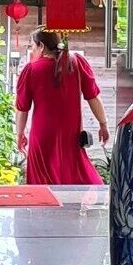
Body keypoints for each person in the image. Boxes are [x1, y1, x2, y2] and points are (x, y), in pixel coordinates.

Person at [15, 27, 109, 185]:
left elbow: (22, 108)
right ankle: (77, 208)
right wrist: (103, 124)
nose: (32, 50)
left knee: (43, 186)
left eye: (32, 46)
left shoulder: (31, 70)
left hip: (42, 135)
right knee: (76, 177)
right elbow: (93, 97)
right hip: (70, 134)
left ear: (41, 46)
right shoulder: (77, 63)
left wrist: (20, 134)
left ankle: (48, 210)